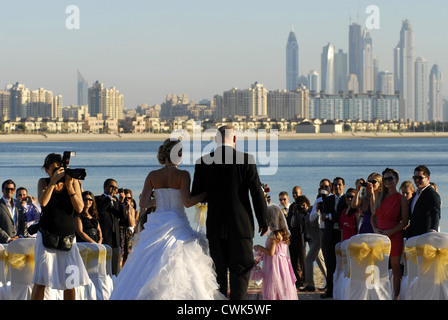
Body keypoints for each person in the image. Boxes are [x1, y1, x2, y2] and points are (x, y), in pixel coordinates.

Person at [110, 138, 225, 300]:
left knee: (144, 260)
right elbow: (187, 202)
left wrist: (159, 200)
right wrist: (206, 193)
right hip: (177, 222)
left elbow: (143, 203)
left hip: (157, 222)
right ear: (177, 154)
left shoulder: (153, 175)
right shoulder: (183, 175)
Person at [191, 125, 269, 300]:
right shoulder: (246, 160)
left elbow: (197, 195)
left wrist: (212, 191)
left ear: (216, 140)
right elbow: (257, 193)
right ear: (234, 139)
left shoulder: (203, 162)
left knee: (218, 275)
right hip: (241, 227)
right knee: (240, 273)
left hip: (216, 227)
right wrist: (263, 221)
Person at [31, 153, 91, 300]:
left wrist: (70, 187)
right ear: (46, 170)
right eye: (54, 170)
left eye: (61, 169)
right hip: (46, 236)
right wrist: (53, 182)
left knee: (71, 281)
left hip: (68, 238)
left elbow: (79, 208)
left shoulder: (73, 182)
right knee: (40, 280)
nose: (58, 172)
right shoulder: (43, 182)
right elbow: (43, 202)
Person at [371, 168, 409, 299]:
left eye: (390, 178)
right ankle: (380, 295)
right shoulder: (380, 197)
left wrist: (390, 232)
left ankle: (394, 296)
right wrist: (375, 229)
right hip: (379, 237)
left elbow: (405, 222)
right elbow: (372, 217)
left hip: (394, 236)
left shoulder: (401, 199)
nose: (388, 181)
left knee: (395, 269)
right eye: (385, 179)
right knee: (379, 268)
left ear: (396, 180)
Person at [251, 204, 298, 300]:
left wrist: (259, 247)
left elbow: (271, 252)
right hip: (283, 264)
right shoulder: (284, 233)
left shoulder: (273, 236)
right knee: (283, 285)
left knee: (274, 285)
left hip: (274, 265)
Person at [320, 177, 347, 298]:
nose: (337, 187)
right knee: (330, 265)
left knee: (341, 264)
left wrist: (331, 216)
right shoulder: (328, 199)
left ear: (344, 186)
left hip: (341, 234)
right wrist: (332, 216)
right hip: (329, 235)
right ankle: (330, 291)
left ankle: (341, 291)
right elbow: (323, 215)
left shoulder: (347, 199)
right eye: (335, 185)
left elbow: (341, 215)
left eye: (340, 184)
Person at [95, 179, 127, 276]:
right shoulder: (98, 199)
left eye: (115, 187)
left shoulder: (115, 202)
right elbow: (101, 211)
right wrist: (109, 197)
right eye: (111, 186)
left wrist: (121, 202)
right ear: (105, 187)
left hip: (115, 239)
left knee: (114, 268)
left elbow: (123, 217)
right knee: (102, 267)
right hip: (105, 236)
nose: (113, 189)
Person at [305, 179, 331, 292]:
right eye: (322, 187)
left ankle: (329, 283)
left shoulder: (334, 199)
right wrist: (317, 211)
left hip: (330, 233)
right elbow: (311, 218)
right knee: (311, 259)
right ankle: (311, 284)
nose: (324, 189)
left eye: (326, 186)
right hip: (318, 234)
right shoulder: (318, 200)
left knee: (327, 260)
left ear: (330, 187)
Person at [404, 165, 441, 239]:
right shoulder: (415, 195)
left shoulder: (432, 194)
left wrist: (433, 231)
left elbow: (436, 213)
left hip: (425, 236)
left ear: (428, 178)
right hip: (413, 235)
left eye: (420, 178)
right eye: (415, 178)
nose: (417, 180)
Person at [286, 195, 308, 290]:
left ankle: (305, 280)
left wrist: (304, 211)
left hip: (302, 236)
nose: (295, 195)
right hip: (293, 236)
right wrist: (295, 213)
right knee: (294, 259)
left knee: (303, 259)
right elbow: (291, 223)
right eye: (293, 193)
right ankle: (297, 280)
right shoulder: (292, 207)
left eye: (302, 204)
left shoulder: (308, 210)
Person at [119, 188, 136, 266]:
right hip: (120, 232)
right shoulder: (119, 206)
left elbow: (132, 224)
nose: (127, 200)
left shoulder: (132, 210)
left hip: (128, 234)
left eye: (129, 198)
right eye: (126, 198)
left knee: (128, 255)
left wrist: (129, 211)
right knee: (120, 256)